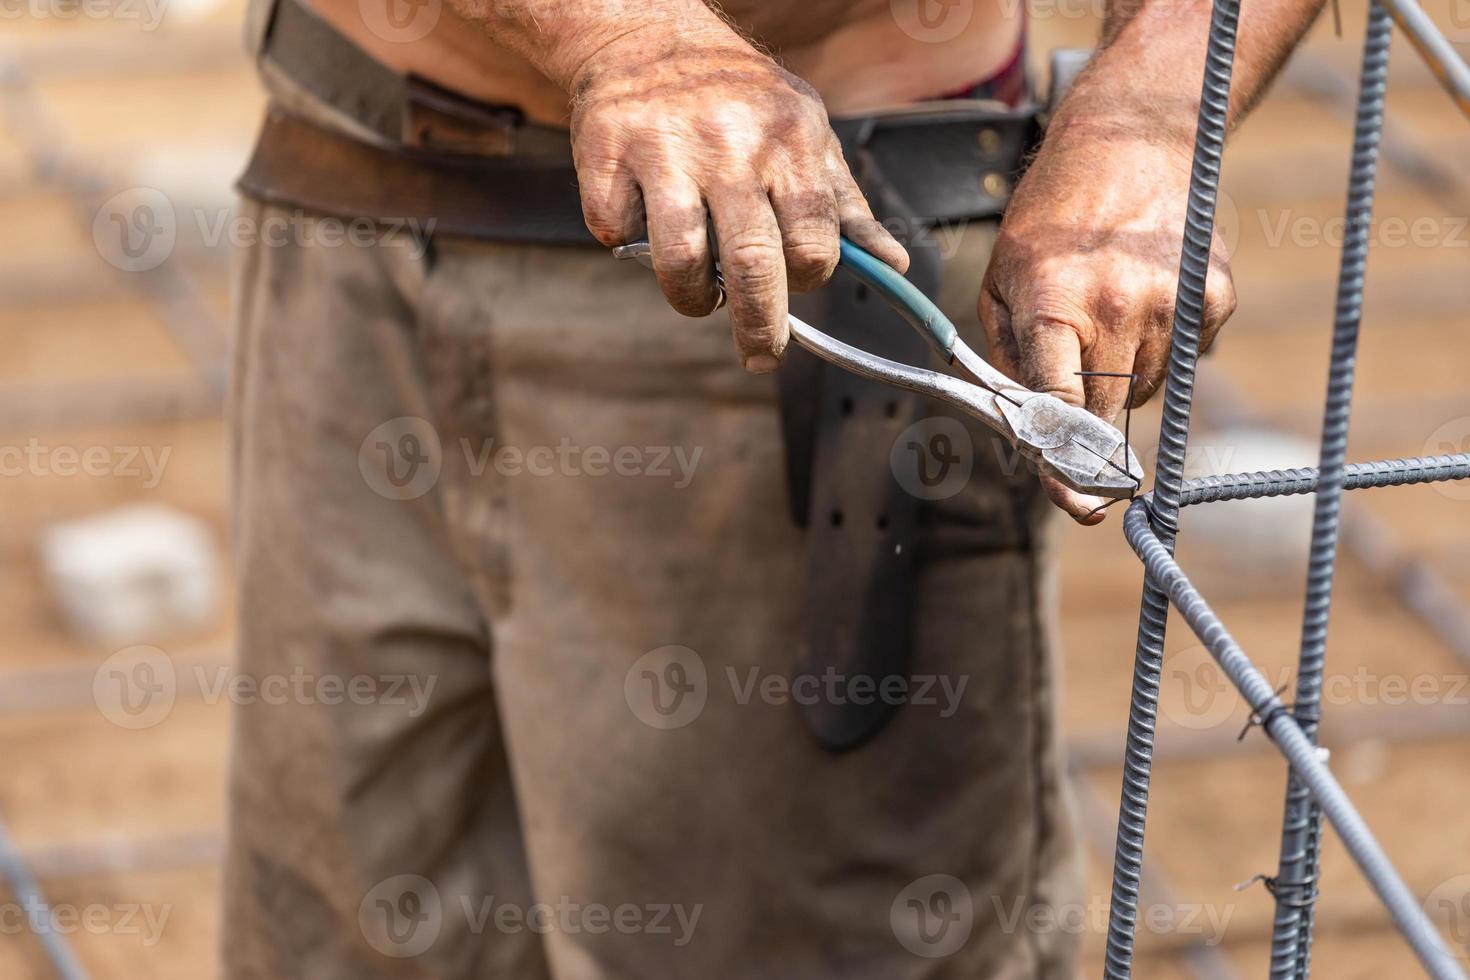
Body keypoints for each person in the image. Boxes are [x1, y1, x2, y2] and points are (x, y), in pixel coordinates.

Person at [225, 0, 1322, 975]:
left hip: (810, 270)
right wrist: (624, 31)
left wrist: (1151, 110)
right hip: (346, 196)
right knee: (349, 918)